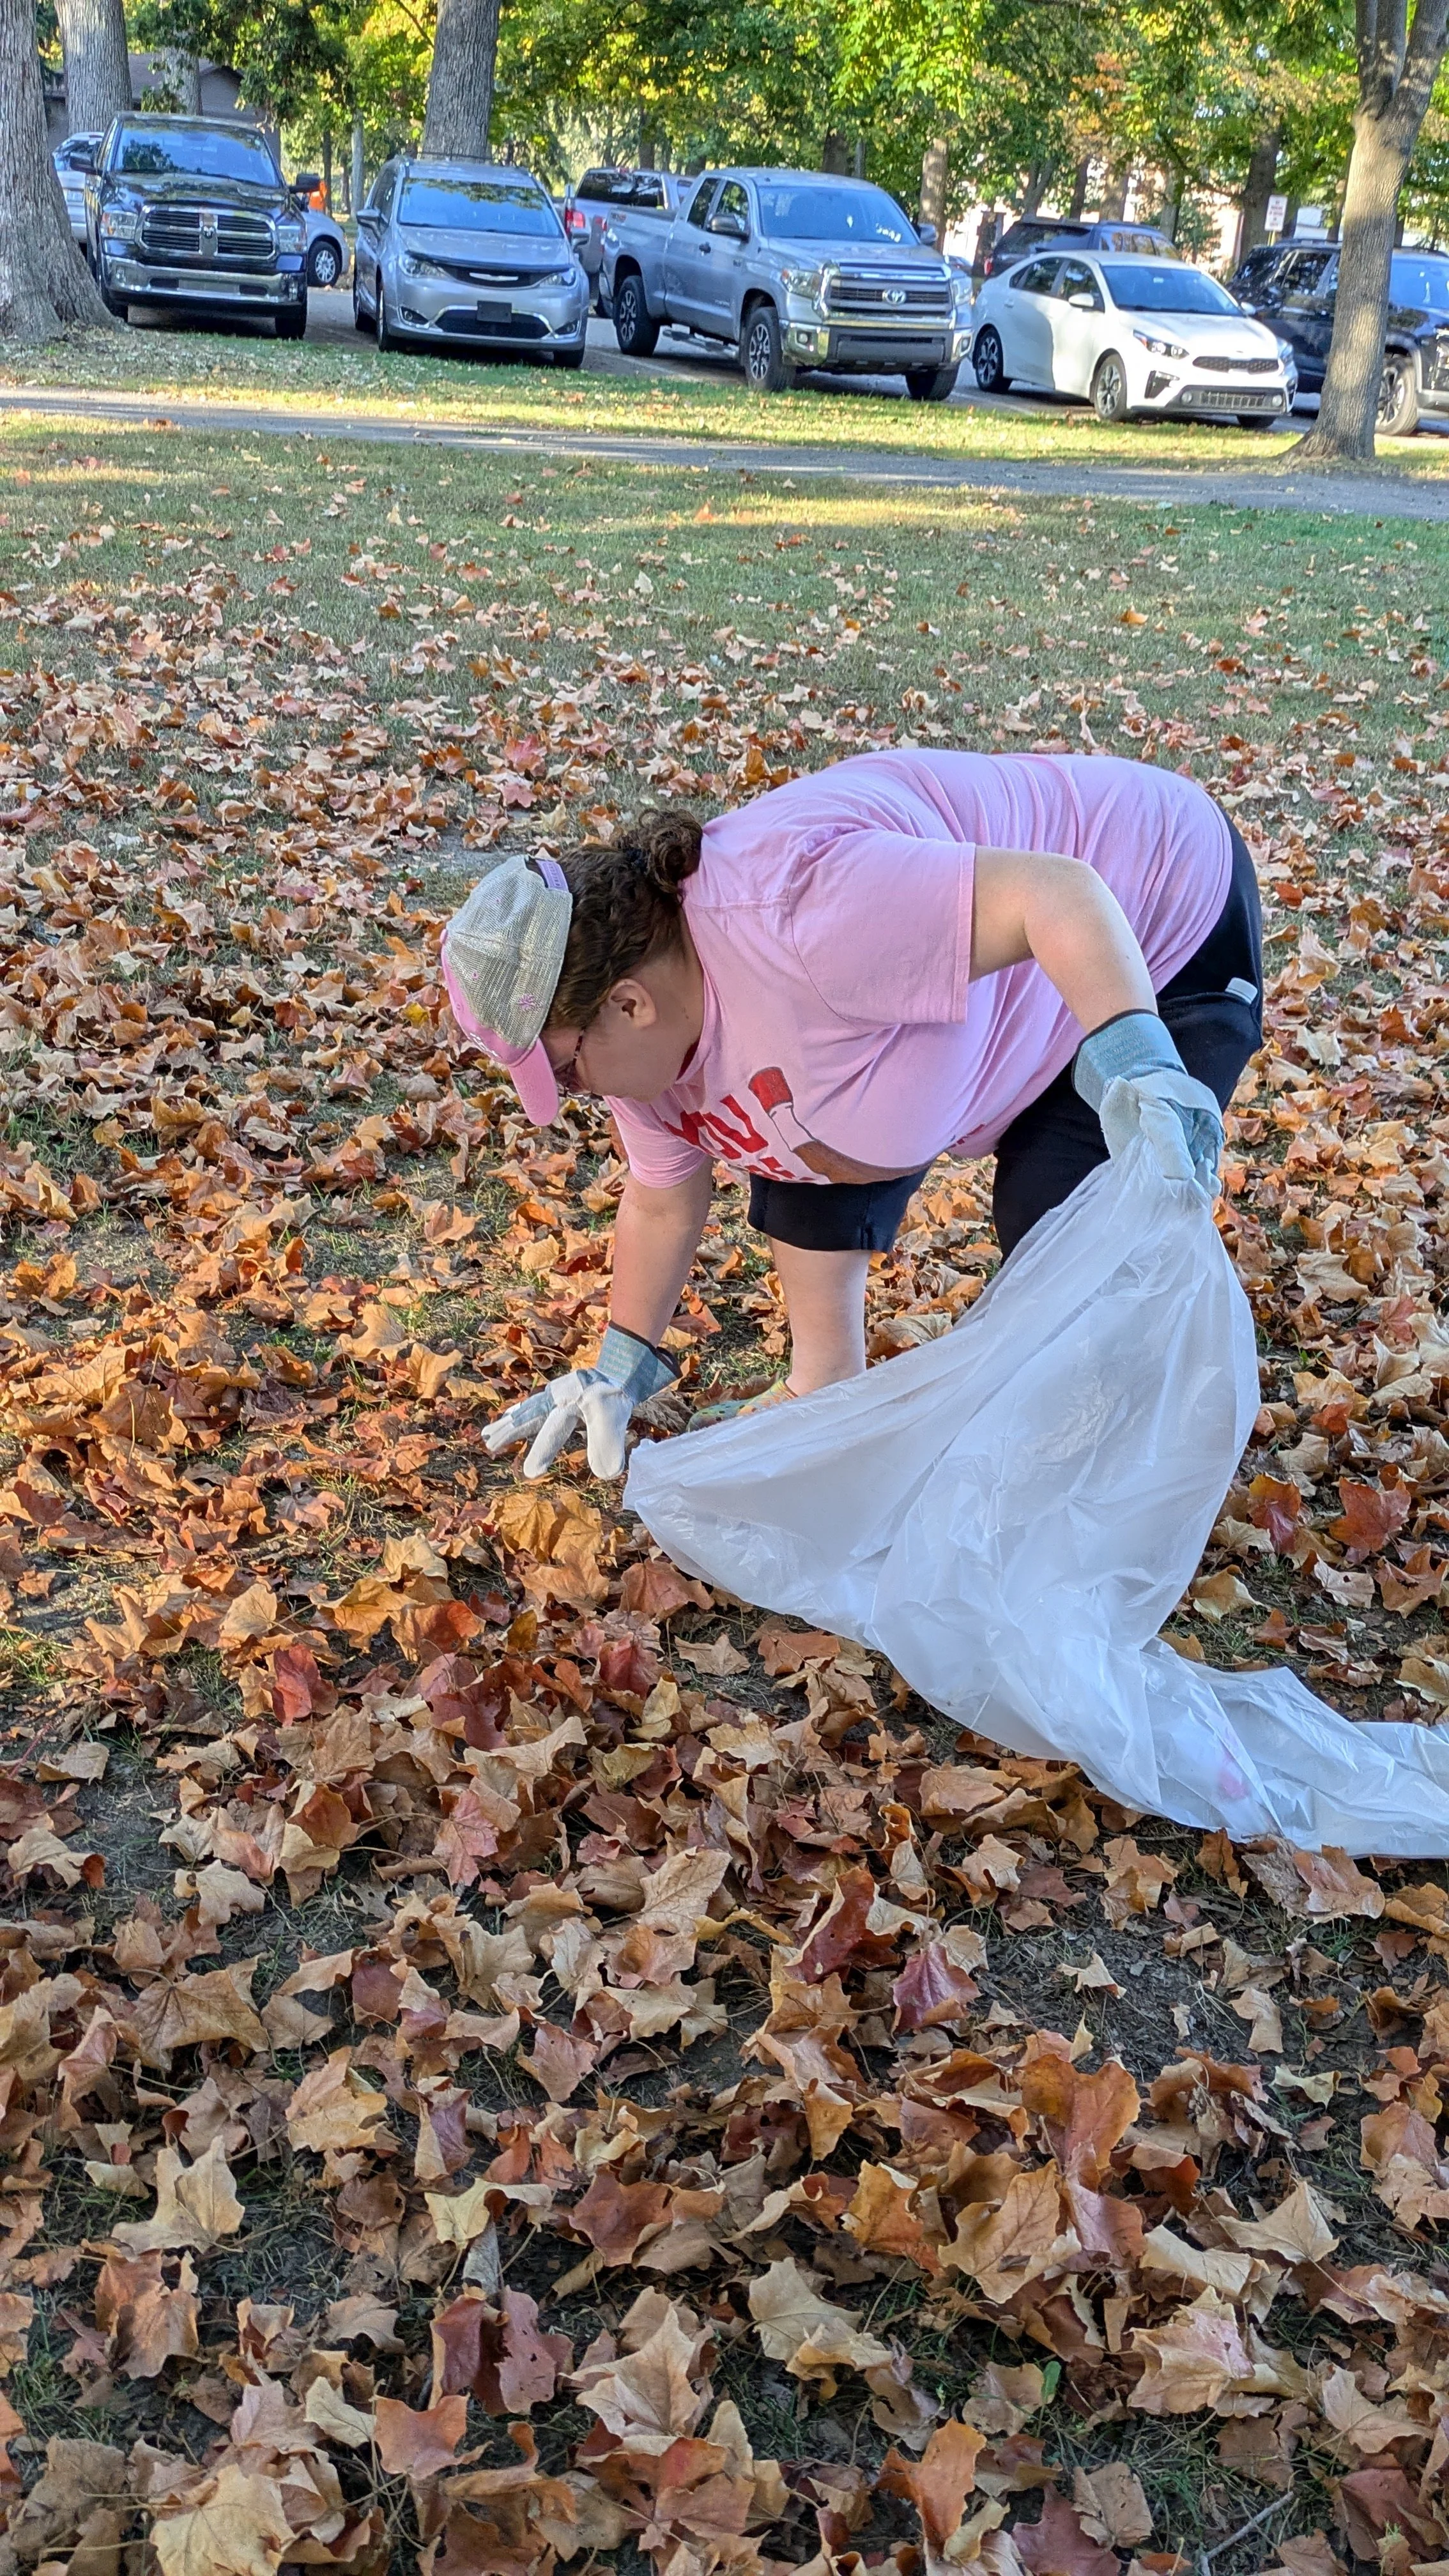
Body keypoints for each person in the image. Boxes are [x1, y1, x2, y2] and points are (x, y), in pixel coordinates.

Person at [442, 748, 1262, 1481]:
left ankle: (1129, 1466)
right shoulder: (649, 1045)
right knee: (787, 1130)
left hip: (1150, 914)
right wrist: (620, 1362)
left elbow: (1062, 892)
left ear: (628, 1004)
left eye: (568, 1068)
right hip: (998, 996)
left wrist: (1137, 1062)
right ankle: (824, 1383)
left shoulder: (802, 915)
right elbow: (662, 1200)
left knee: (1064, 1216)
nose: (578, 1095)